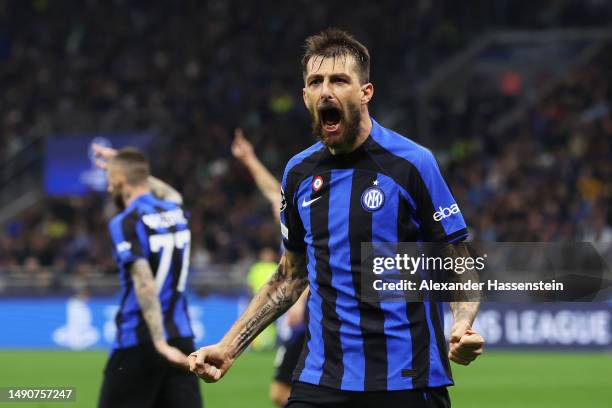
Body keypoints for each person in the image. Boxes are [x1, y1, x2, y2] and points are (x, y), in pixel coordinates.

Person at [190, 28, 484, 407]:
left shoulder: (412, 164)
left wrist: (461, 323)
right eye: (316, 81)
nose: (326, 90)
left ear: (366, 92)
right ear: (305, 96)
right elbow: (289, 278)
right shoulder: (298, 173)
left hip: (407, 381)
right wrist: (229, 348)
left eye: (339, 80)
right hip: (322, 379)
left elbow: (457, 261)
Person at [94, 145, 202, 408]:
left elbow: (144, 282)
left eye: (110, 181)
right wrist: (131, 169)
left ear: (120, 181)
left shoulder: (126, 221)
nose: (109, 189)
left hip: (141, 340)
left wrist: (159, 342)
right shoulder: (174, 211)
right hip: (181, 337)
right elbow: (172, 194)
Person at [231, 128, 309, 407]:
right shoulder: (293, 212)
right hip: (299, 318)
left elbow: (320, 260)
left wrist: (301, 301)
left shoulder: (314, 214)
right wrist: (249, 159)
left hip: (311, 316)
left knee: (284, 392)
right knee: (281, 394)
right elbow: (272, 193)